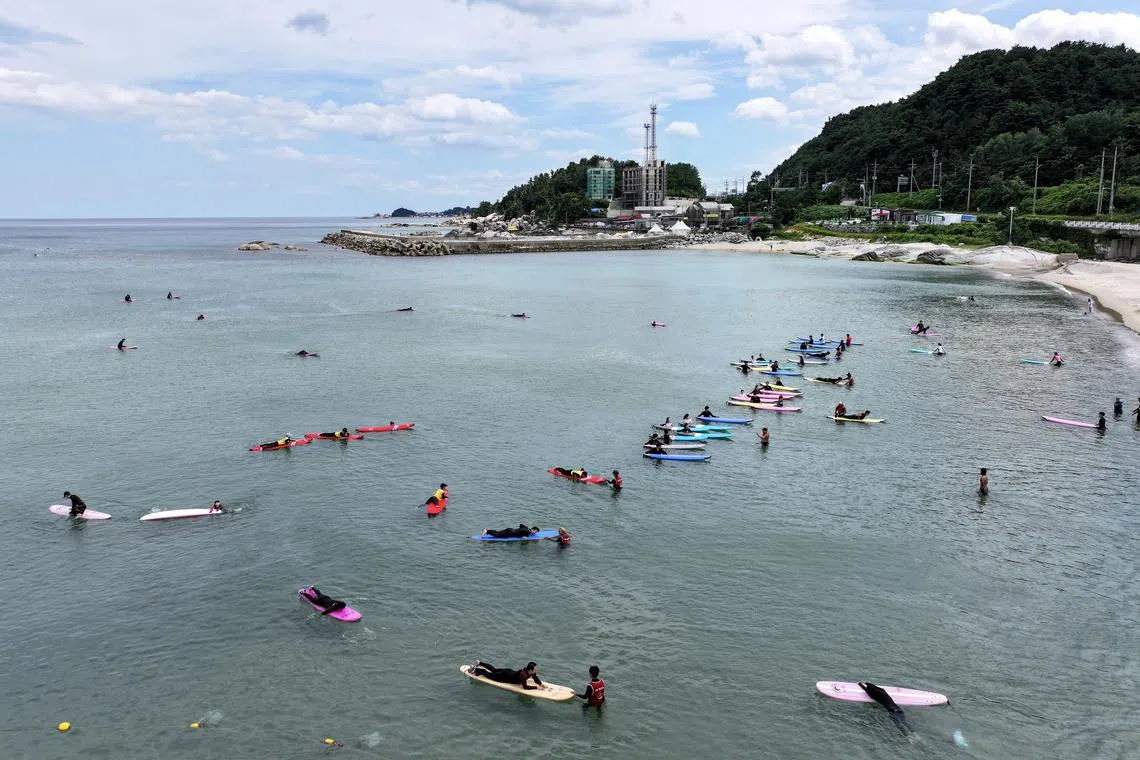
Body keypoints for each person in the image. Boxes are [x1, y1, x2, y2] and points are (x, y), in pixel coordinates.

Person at [471, 660, 546, 690]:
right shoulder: (523, 675)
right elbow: (525, 687)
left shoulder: (531, 672)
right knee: (489, 674)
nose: (536, 670)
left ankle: (479, 662)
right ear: (530, 670)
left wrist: (541, 684)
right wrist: (536, 687)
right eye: (535, 669)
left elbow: (535, 678)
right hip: (504, 677)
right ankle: (476, 669)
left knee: (494, 670)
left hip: (509, 671)